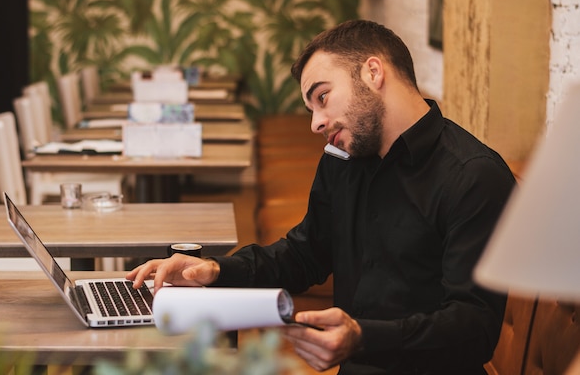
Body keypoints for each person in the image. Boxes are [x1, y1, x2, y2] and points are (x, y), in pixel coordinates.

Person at [127, 20, 516, 374]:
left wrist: (363, 337)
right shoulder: (344, 159)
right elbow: (304, 255)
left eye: (322, 97)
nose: (315, 122)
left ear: (373, 72)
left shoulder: (474, 175)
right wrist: (215, 270)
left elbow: (474, 328)